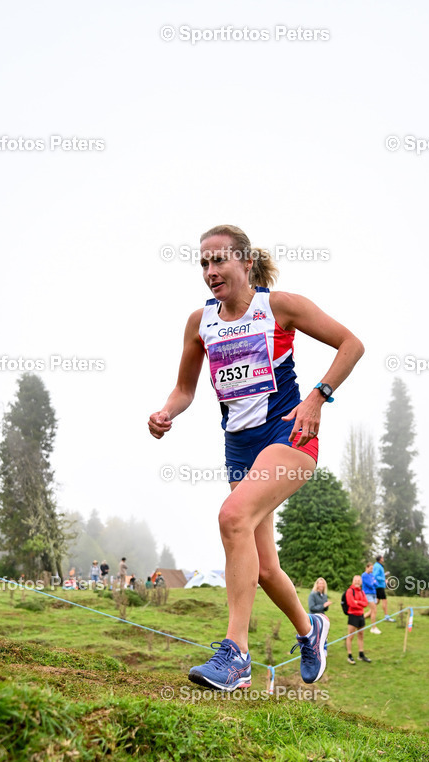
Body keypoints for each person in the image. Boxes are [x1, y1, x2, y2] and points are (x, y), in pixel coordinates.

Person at [148, 223, 364, 691]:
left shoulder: (279, 306)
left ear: (246, 262)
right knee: (265, 568)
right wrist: (166, 412)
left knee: (231, 516)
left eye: (220, 260)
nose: (210, 271)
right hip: (239, 447)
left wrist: (317, 397)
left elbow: (352, 345)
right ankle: (312, 631)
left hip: (289, 435)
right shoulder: (199, 322)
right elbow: (185, 389)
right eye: (203, 263)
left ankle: (236, 654)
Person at [343, 574, 372, 664]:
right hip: (353, 616)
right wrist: (360, 604)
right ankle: (350, 655)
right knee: (351, 635)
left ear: (361, 582)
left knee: (361, 635)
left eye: (359, 580)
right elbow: (351, 604)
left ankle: (361, 654)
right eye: (355, 580)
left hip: (361, 615)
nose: (357, 582)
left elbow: (366, 603)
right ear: (353, 581)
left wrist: (358, 602)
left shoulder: (362, 592)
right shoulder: (349, 591)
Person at [372, 555, 394, 622]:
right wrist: (383, 579)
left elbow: (378, 575)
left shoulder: (378, 565)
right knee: (384, 600)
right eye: (382, 558)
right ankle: (386, 616)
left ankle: (371, 613)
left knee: (377, 601)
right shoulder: (378, 566)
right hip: (379, 586)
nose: (383, 559)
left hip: (379, 586)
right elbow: (375, 576)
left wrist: (384, 575)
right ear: (380, 559)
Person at [361, 562, 381, 633]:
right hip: (367, 594)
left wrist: (373, 582)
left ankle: (360, 620)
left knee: (372, 611)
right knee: (374, 610)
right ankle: (373, 628)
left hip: (373, 594)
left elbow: (376, 584)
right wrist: (373, 582)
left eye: (372, 568)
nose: (372, 570)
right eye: (371, 568)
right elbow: (370, 584)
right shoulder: (364, 575)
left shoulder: (371, 575)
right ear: (367, 567)